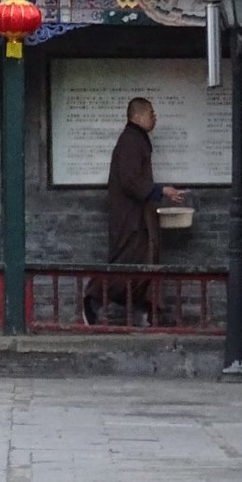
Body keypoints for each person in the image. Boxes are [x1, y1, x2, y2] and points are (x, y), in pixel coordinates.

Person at [82, 97, 186, 326]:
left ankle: (145, 310)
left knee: (146, 262)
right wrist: (160, 191)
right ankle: (93, 299)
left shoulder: (137, 140)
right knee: (128, 263)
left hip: (139, 217)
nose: (154, 117)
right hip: (130, 219)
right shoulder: (130, 141)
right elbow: (129, 180)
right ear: (136, 116)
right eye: (150, 113)